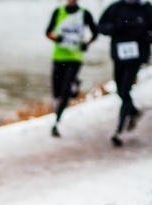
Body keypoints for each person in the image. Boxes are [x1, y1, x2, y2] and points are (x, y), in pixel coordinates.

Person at [98, 0, 152, 146]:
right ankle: (132, 111)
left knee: (125, 90)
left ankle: (119, 131)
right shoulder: (115, 8)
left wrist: (150, 37)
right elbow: (101, 26)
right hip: (119, 56)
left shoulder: (147, 9)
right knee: (120, 91)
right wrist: (116, 27)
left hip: (137, 56)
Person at [45, 0, 99, 137]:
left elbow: (95, 33)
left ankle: (56, 123)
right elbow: (48, 32)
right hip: (58, 57)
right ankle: (74, 88)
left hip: (75, 58)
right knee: (56, 92)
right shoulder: (58, 12)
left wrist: (87, 44)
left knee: (65, 91)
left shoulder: (84, 14)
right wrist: (57, 38)